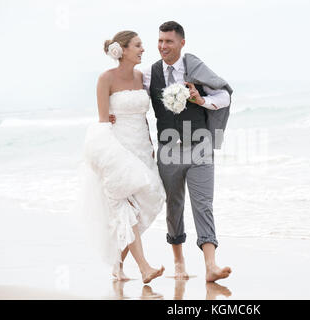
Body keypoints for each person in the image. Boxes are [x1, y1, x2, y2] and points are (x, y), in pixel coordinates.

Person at [110, 21, 232, 282]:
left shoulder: (195, 68)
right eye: (160, 41)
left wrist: (202, 100)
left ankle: (211, 265)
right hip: (168, 151)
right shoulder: (149, 74)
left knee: (203, 204)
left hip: (199, 146)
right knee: (174, 207)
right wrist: (112, 114)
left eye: (169, 41)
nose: (163, 46)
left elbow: (224, 95)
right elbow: (131, 97)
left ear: (182, 44)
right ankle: (178, 261)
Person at [79, 30, 165, 284]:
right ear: (123, 50)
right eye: (138, 45)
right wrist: (107, 157)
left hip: (141, 147)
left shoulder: (141, 77)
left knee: (145, 203)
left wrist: (150, 145)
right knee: (126, 209)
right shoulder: (105, 79)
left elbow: (143, 116)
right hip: (118, 150)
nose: (142, 49)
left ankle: (117, 267)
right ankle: (145, 268)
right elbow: (104, 121)